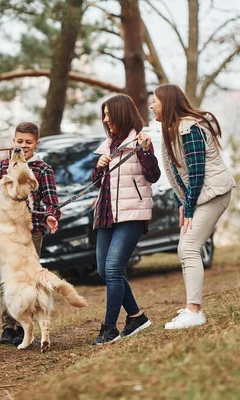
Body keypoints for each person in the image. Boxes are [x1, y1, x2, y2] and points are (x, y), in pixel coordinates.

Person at [150, 84, 236, 329]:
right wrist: (182, 203)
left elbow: (197, 173)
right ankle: (191, 307)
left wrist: (189, 207)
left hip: (213, 194)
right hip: (201, 196)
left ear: (166, 103)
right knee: (185, 247)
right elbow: (181, 174)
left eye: (154, 101)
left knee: (188, 247)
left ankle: (194, 312)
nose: (151, 105)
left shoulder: (188, 129)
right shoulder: (174, 128)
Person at [0, 122, 61, 346]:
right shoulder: (4, 166)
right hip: (6, 231)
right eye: (20, 141)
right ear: (14, 141)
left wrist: (51, 215)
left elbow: (50, 199)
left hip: (31, 232)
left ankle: (27, 324)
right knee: (8, 277)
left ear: (36, 144)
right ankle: (8, 327)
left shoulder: (42, 169)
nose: (23, 146)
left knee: (29, 277)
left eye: (29, 143)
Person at [91, 94, 161, 345]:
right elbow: (98, 183)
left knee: (112, 269)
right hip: (107, 214)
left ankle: (109, 328)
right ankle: (136, 317)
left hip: (132, 213)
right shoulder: (108, 145)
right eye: (105, 115)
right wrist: (98, 167)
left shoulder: (141, 141)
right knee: (104, 270)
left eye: (109, 114)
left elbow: (153, 175)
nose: (106, 120)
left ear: (122, 113)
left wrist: (144, 152)